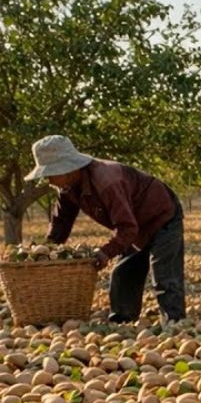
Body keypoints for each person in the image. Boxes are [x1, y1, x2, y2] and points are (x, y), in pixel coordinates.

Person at [25, 135, 186, 324]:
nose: (49, 181)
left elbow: (126, 227)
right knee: (123, 272)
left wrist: (105, 252)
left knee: (164, 274)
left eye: (51, 174)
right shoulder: (67, 187)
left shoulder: (107, 181)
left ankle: (175, 323)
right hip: (133, 222)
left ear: (68, 168)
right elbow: (61, 222)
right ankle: (122, 321)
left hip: (161, 214)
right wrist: (46, 251)